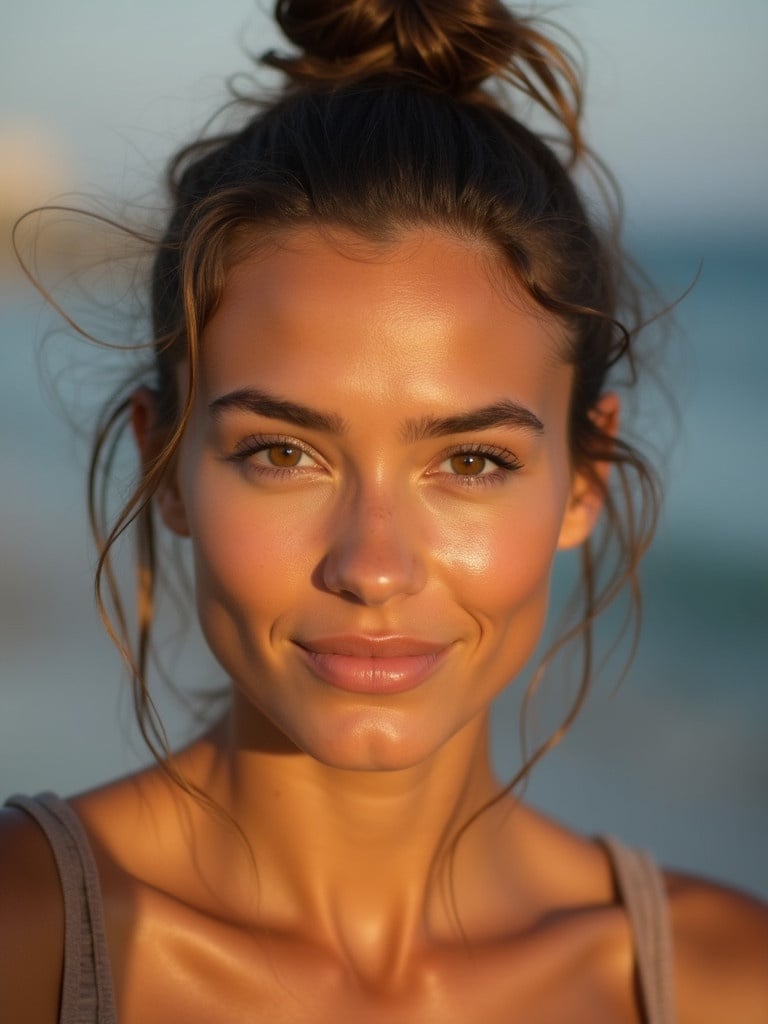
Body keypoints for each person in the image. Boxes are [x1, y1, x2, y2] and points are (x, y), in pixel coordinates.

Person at [2, 1, 767, 1021]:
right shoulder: (29, 942)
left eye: (473, 461)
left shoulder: (726, 983)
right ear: (164, 461)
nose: (372, 566)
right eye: (283, 453)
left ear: (585, 482)